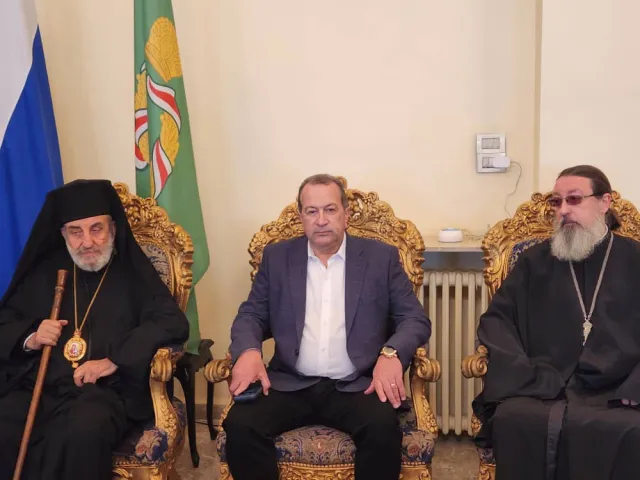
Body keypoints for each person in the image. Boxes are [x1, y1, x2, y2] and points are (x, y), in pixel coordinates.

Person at [222, 174, 431, 479]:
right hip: (290, 383)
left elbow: (414, 319)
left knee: (382, 429)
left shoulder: (380, 258)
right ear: (301, 217)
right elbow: (251, 314)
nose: (321, 220)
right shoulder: (277, 257)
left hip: (357, 385)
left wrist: (391, 354)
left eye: (330, 210)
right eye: (312, 211)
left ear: (346, 214)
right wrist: (249, 351)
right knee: (240, 425)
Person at [0, 179, 189, 480]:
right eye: (76, 232)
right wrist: (31, 337)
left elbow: (172, 321)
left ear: (112, 228)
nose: (87, 242)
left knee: (81, 431)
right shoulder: (46, 272)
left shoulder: (131, 272)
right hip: (40, 386)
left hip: (102, 393)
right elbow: (6, 320)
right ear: (63, 234)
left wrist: (115, 359)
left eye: (96, 229)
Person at [473, 165, 640, 480]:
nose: (563, 210)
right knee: (513, 419)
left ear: (604, 202)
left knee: (629, 429)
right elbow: (497, 321)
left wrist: (635, 386)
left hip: (618, 389)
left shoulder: (635, 259)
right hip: (542, 385)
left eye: (574, 199)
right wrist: (524, 374)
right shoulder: (533, 262)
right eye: (556, 201)